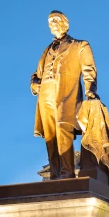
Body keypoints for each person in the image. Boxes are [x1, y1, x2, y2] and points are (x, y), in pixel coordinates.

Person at [30, 11, 96, 179]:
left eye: (56, 20)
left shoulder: (80, 45)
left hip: (67, 94)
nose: (52, 23)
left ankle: (67, 174)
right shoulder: (46, 50)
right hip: (45, 95)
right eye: (50, 21)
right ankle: (54, 175)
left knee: (63, 130)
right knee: (50, 137)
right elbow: (36, 74)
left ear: (66, 24)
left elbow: (89, 70)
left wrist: (90, 91)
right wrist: (35, 83)